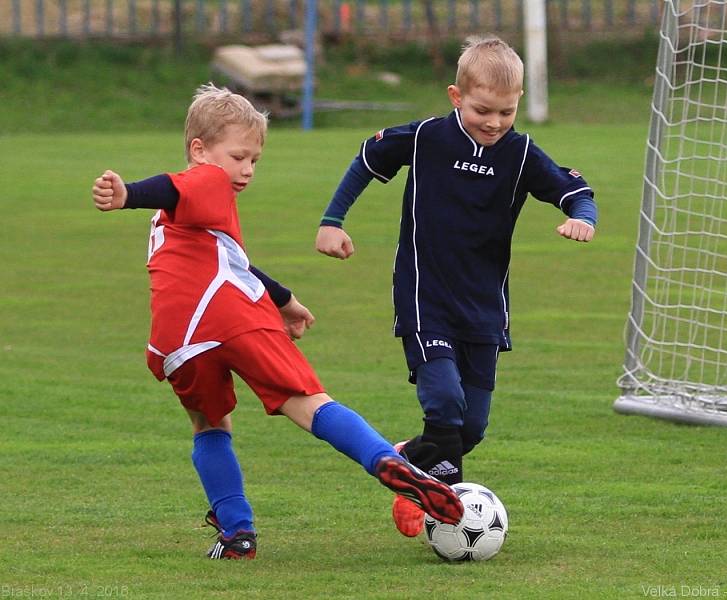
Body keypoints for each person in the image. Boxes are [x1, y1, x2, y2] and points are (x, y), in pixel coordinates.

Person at [90, 83, 463, 560]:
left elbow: (232, 258)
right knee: (307, 403)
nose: (245, 170)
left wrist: (284, 299)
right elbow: (172, 185)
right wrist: (128, 194)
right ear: (199, 150)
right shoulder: (208, 180)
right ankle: (391, 463)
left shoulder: (175, 220)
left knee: (209, 424)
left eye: (254, 161)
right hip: (230, 314)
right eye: (239, 156)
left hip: (177, 337)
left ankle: (237, 532)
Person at [315, 36, 597, 538]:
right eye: (482, 110)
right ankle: (434, 506)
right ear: (455, 96)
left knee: (471, 427)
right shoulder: (426, 138)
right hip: (425, 297)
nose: (493, 122)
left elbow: (572, 188)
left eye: (506, 112)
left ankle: (408, 460)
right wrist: (333, 219)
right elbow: (367, 159)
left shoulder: (520, 151)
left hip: (485, 306)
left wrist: (582, 217)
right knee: (444, 401)